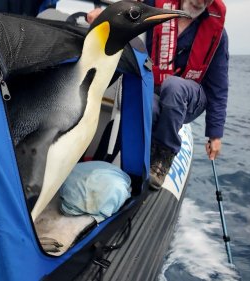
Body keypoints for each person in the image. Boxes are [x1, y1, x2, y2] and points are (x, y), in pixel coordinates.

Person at [87, 0, 229, 190]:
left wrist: (215, 134)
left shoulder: (218, 33)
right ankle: (132, 162)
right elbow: (128, 13)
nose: (201, 1)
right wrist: (102, 18)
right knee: (147, 106)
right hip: (154, 89)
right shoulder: (154, 8)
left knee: (174, 86)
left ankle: (164, 155)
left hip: (190, 97)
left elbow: (219, 86)